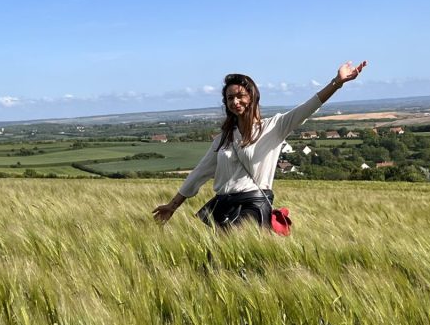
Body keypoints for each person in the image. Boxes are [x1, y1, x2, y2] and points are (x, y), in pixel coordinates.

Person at [152, 61, 367, 229]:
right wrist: (172, 206)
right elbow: (198, 174)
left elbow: (308, 107)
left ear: (252, 96)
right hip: (221, 207)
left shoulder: (273, 128)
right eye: (229, 98)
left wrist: (336, 82)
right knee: (213, 267)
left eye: (240, 96)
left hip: (250, 209)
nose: (235, 102)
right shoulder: (224, 139)